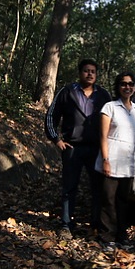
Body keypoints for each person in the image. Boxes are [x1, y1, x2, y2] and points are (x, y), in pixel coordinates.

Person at [45, 58, 112, 239]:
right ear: (80, 73)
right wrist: (56, 139)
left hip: (96, 149)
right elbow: (51, 116)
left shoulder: (103, 95)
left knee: (97, 188)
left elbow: (115, 120)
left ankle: (95, 225)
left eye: (93, 71)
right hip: (72, 147)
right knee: (69, 187)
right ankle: (66, 224)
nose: (89, 74)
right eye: (86, 71)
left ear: (96, 75)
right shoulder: (67, 92)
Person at [95, 71, 135, 252]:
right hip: (112, 158)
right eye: (124, 84)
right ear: (118, 87)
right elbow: (103, 136)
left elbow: (134, 134)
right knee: (108, 199)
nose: (127, 87)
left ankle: (121, 237)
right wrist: (106, 159)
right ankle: (106, 237)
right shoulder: (110, 107)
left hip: (129, 161)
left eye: (131, 84)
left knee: (123, 200)